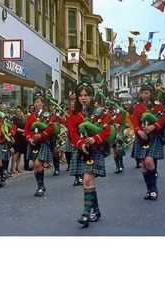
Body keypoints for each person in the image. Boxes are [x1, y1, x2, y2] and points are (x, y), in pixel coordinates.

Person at [67, 83, 112, 227]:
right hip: (82, 150)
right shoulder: (73, 114)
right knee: (87, 182)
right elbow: (72, 133)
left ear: (92, 96)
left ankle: (86, 214)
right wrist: (81, 143)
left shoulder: (101, 111)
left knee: (87, 180)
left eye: (86, 95)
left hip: (96, 148)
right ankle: (96, 210)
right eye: (80, 95)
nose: (83, 98)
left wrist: (94, 138)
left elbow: (107, 130)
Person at [130, 83, 165, 201]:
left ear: (151, 93)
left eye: (146, 93)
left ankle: (154, 189)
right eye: (142, 93)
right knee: (144, 166)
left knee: (149, 161)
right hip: (141, 137)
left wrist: (153, 126)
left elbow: (163, 119)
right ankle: (149, 190)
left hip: (153, 136)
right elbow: (134, 120)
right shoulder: (137, 107)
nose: (144, 95)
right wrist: (138, 131)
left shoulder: (157, 106)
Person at [25, 94, 57, 196]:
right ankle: (40, 186)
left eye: (38, 102)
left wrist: (41, 135)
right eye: (35, 102)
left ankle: (40, 187)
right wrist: (29, 138)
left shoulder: (47, 115)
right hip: (33, 143)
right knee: (36, 165)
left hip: (43, 142)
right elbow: (26, 130)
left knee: (38, 164)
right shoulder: (30, 117)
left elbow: (51, 127)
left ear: (43, 103)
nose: (36, 104)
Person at [9, 108, 26, 173]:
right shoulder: (14, 119)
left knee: (20, 153)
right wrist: (24, 131)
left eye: (21, 112)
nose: (20, 113)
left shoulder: (21, 119)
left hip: (22, 138)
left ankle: (18, 167)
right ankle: (13, 168)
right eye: (18, 112)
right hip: (17, 137)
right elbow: (15, 128)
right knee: (16, 153)